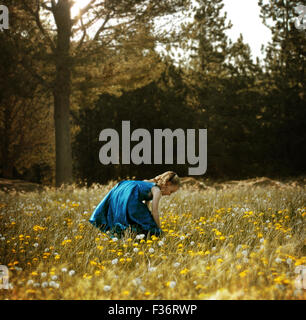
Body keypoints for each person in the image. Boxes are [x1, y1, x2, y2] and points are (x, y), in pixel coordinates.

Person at [89, 171, 180, 238]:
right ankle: (136, 237)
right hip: (130, 193)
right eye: (171, 191)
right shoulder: (157, 191)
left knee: (138, 219)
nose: (169, 194)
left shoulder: (149, 183)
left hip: (123, 188)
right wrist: (159, 230)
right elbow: (154, 212)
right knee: (151, 227)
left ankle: (122, 234)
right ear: (167, 184)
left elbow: (145, 206)